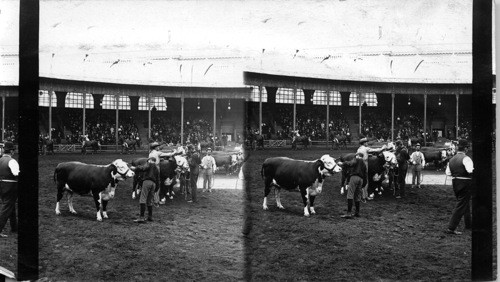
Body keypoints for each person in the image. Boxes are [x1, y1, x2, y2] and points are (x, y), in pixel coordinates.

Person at [445, 139, 473, 235]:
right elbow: (470, 171)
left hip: (455, 183)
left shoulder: (451, 159)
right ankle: (451, 228)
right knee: (461, 205)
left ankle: (469, 224)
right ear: (465, 148)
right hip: (465, 183)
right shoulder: (466, 158)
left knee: (464, 203)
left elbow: (448, 173)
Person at [131, 157, 160, 223]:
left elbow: (142, 168)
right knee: (150, 200)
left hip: (147, 182)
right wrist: (157, 188)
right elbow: (158, 179)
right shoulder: (157, 168)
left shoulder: (149, 164)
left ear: (150, 160)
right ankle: (150, 216)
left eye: (148, 160)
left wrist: (135, 168)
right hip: (154, 184)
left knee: (142, 199)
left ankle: (141, 217)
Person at [338, 152, 367, 218]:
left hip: (354, 178)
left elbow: (351, 163)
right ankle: (357, 212)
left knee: (350, 194)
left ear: (357, 156)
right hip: (361, 180)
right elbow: (365, 174)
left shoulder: (357, 159)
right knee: (357, 196)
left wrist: (342, 163)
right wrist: (364, 183)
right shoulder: (364, 164)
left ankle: (349, 213)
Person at [0, 142, 19, 238]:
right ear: (11, 151)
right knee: (7, 207)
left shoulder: (0, 160)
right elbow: (16, 173)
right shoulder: (12, 161)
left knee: (10, 205)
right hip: (10, 186)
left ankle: (14, 227)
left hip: (1, 185)